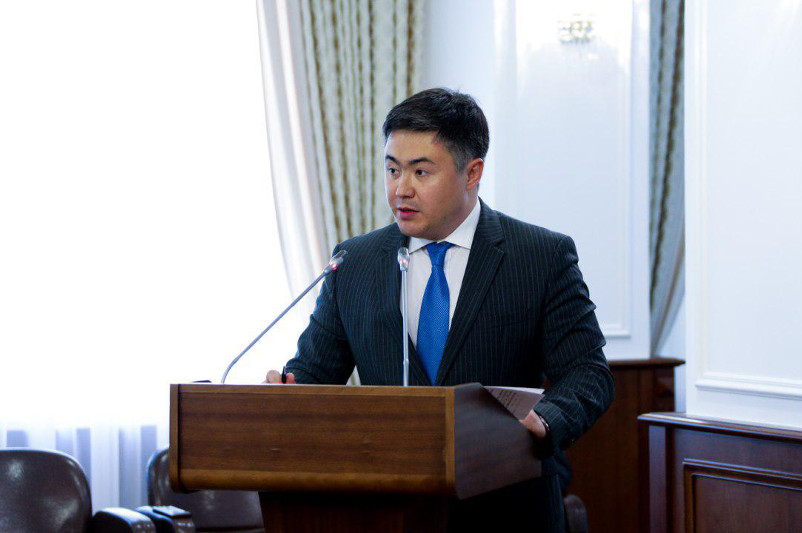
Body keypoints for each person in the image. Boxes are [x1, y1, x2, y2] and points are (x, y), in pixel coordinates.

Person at [264, 88, 614, 532]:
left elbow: (588, 374)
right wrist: (289, 394)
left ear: (472, 173)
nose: (401, 189)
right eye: (392, 170)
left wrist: (546, 420)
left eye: (420, 171)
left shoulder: (540, 256)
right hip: (387, 510)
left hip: (507, 506)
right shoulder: (353, 262)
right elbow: (315, 376)